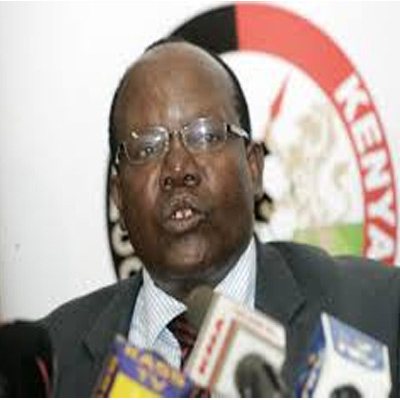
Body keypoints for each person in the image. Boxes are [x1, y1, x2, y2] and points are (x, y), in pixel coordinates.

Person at [41, 38, 400, 397]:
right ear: (118, 198)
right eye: (148, 147)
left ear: (254, 168)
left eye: (205, 135)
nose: (178, 168)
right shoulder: (52, 363)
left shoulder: (378, 312)